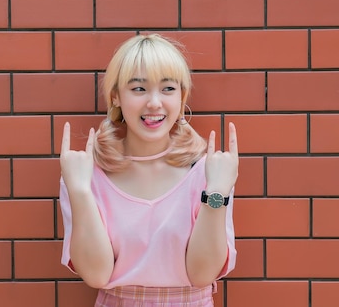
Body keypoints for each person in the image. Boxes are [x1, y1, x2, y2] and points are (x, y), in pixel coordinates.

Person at [59, 33, 238, 307]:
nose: (154, 103)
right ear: (116, 96)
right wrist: (81, 192)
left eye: (167, 89)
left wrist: (216, 193)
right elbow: (96, 274)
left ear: (182, 97)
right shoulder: (85, 175)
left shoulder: (209, 173)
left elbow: (203, 274)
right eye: (139, 89)